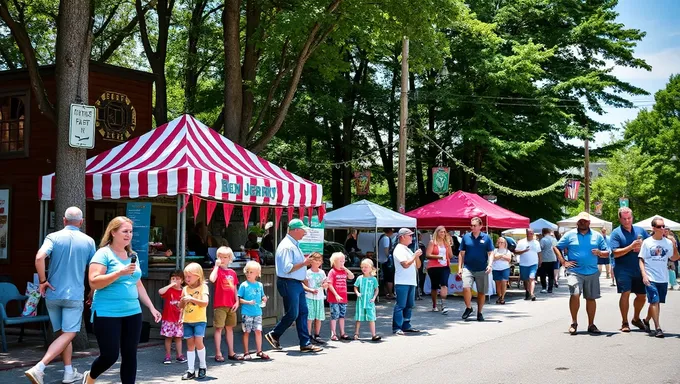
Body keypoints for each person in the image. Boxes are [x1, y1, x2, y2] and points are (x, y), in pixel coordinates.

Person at [82, 216, 162, 384]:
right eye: (125, 231)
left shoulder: (132, 255)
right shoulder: (103, 253)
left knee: (130, 354)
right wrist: (119, 273)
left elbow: (138, 284)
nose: (129, 235)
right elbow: (93, 281)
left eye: (131, 232)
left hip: (132, 311)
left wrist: (151, 307)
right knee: (110, 355)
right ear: (113, 232)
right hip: (106, 312)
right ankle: (90, 377)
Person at [25, 207, 96, 384]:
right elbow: (94, 269)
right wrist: (92, 290)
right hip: (74, 294)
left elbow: (40, 257)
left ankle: (68, 372)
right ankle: (40, 367)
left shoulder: (53, 237)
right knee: (69, 334)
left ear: (64, 220)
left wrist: (42, 280)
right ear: (81, 221)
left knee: (63, 335)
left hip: (53, 293)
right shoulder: (88, 241)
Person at [264, 219, 322, 352]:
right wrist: (304, 263)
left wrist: (303, 275)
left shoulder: (293, 244)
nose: (305, 233)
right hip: (288, 282)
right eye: (303, 230)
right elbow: (287, 268)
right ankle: (274, 334)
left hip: (294, 283)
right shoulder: (287, 246)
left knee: (302, 312)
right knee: (293, 313)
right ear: (295, 230)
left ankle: (305, 343)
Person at [556, 212, 609, 335]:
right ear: (577, 222)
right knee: (575, 293)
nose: (582, 222)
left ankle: (591, 324)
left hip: (592, 271)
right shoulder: (569, 235)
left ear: (589, 222)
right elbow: (557, 247)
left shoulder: (597, 236)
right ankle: (574, 322)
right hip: (574, 271)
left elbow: (607, 252)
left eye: (585, 221)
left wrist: (600, 253)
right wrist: (563, 261)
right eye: (580, 221)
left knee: (591, 298)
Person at [609, 207, 649, 332]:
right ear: (620, 219)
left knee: (642, 296)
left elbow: (650, 245)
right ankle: (624, 322)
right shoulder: (616, 233)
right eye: (624, 219)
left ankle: (636, 318)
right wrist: (630, 247)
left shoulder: (640, 230)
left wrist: (643, 246)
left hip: (640, 268)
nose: (627, 221)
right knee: (625, 293)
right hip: (622, 269)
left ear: (632, 217)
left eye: (629, 218)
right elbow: (614, 253)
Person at [638, 217, 680, 338]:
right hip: (650, 277)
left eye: (663, 226)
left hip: (663, 277)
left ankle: (646, 320)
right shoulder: (647, 242)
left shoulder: (667, 243)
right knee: (655, 301)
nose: (663, 229)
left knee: (655, 302)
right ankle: (658, 328)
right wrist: (644, 275)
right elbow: (641, 259)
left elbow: (674, 258)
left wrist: (674, 245)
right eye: (660, 227)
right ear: (654, 228)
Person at [458, 217, 494, 321]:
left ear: (480, 226)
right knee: (466, 287)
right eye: (471, 225)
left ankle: (480, 312)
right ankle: (469, 308)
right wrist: (460, 267)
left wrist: (490, 264)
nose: (472, 227)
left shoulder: (486, 238)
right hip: (468, 268)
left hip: (482, 268)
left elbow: (491, 252)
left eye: (474, 225)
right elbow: (461, 253)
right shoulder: (466, 237)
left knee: (481, 292)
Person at [209, 247, 240, 362]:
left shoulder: (232, 273)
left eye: (225, 257)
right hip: (220, 304)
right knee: (219, 328)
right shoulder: (216, 270)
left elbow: (235, 288)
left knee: (230, 328)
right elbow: (212, 279)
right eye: (220, 257)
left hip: (231, 304)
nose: (222, 259)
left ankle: (231, 352)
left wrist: (237, 301)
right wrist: (216, 266)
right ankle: (218, 352)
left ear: (230, 259)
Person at [179, 262, 210, 380]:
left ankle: (202, 366)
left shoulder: (203, 287)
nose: (186, 279)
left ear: (198, 276)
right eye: (185, 276)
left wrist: (192, 299)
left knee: (198, 342)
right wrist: (182, 301)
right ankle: (190, 370)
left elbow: (205, 303)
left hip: (199, 320)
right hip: (187, 320)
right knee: (190, 345)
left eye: (189, 276)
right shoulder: (185, 289)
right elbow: (180, 305)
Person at [392, 228, 422, 334]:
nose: (412, 237)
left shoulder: (408, 250)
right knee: (401, 305)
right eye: (409, 235)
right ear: (402, 237)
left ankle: (406, 325)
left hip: (410, 281)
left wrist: (416, 256)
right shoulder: (398, 249)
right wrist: (414, 255)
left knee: (409, 305)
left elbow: (418, 266)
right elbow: (405, 264)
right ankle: (397, 327)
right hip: (402, 281)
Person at [238, 261, 270, 359]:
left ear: (257, 273)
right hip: (246, 312)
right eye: (247, 271)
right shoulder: (244, 285)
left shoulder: (259, 285)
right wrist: (247, 302)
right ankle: (246, 352)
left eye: (251, 272)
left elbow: (262, 296)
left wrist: (264, 298)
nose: (248, 274)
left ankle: (259, 351)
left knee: (258, 331)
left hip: (257, 312)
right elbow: (239, 299)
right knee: (246, 332)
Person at [158, 270, 187, 364]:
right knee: (168, 337)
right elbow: (160, 291)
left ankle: (179, 355)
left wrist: (182, 318)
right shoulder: (169, 290)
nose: (175, 280)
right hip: (168, 318)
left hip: (178, 318)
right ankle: (168, 356)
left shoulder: (184, 291)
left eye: (177, 279)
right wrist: (170, 285)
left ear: (182, 280)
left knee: (178, 338)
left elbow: (185, 306)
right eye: (173, 278)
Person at [327, 252, 355, 341]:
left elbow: (351, 276)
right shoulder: (332, 272)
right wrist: (336, 294)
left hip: (343, 297)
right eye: (340, 261)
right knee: (334, 315)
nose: (342, 263)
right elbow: (330, 284)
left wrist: (346, 269)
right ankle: (333, 333)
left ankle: (342, 332)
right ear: (334, 262)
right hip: (334, 298)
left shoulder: (343, 271)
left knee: (342, 315)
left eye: (343, 261)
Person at [425, 226, 453, 314]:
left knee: (444, 284)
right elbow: (428, 254)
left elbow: (451, 256)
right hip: (434, 267)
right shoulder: (432, 242)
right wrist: (439, 257)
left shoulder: (446, 243)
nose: (443, 234)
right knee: (434, 286)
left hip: (445, 266)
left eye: (444, 232)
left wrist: (449, 245)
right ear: (437, 233)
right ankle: (434, 305)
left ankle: (443, 304)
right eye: (441, 232)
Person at [303, 252, 328, 344]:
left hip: (320, 297)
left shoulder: (322, 272)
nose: (318, 262)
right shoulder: (307, 272)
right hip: (309, 297)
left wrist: (325, 285)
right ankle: (308, 335)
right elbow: (303, 283)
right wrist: (310, 289)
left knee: (319, 317)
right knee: (310, 317)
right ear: (311, 261)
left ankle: (317, 334)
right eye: (316, 260)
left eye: (320, 261)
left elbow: (326, 283)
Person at [354, 258, 381, 341]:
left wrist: (374, 297)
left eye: (366, 267)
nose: (364, 269)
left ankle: (373, 334)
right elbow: (355, 287)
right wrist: (357, 293)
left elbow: (376, 289)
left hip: (369, 301)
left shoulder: (373, 279)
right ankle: (356, 333)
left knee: (371, 318)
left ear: (371, 268)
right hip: (361, 301)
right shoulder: (360, 278)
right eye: (362, 267)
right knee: (359, 317)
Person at [515, 229, 541, 301]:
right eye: (530, 233)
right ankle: (527, 292)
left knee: (531, 278)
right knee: (525, 280)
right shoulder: (521, 242)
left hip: (533, 263)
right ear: (526, 234)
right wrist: (524, 251)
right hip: (523, 264)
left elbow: (539, 252)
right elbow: (516, 252)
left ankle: (532, 294)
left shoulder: (536, 242)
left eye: (532, 233)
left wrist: (540, 261)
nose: (531, 235)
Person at [538, 228, 561, 294]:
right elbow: (556, 247)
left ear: (543, 232)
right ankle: (550, 288)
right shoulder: (553, 239)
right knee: (551, 274)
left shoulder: (543, 240)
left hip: (544, 259)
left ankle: (544, 287)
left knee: (543, 274)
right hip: (553, 258)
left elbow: (540, 248)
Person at [491, 237, 513, 305]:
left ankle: (502, 297)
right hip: (496, 269)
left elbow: (509, 259)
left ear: (505, 243)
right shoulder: (495, 250)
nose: (500, 244)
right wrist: (501, 256)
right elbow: (493, 258)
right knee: (498, 284)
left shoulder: (507, 251)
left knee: (504, 282)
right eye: (499, 242)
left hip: (505, 268)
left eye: (502, 242)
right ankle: (499, 296)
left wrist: (500, 256)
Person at [378, 228, 395, 298]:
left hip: (381, 260)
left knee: (385, 278)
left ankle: (386, 293)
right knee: (389, 278)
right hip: (386, 261)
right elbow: (386, 250)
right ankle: (390, 293)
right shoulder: (386, 238)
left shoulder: (381, 238)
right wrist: (389, 257)